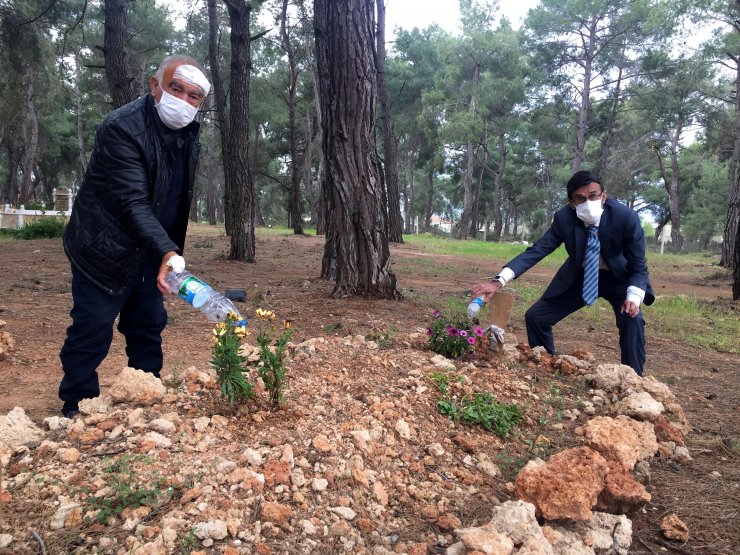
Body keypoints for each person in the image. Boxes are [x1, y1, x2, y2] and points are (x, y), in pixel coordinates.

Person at [58, 54, 210, 418]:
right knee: (93, 324)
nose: (184, 101)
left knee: (148, 322)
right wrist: (168, 251)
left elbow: (172, 199)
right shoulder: (122, 128)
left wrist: (163, 252)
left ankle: (146, 395)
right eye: (176, 88)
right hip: (103, 247)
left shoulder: (188, 136)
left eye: (194, 96)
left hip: (149, 250)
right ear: (155, 85)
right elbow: (132, 201)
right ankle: (77, 405)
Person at [472, 170, 654, 375]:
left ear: (603, 196)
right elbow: (538, 250)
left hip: (620, 278)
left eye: (593, 195)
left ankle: (633, 378)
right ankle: (547, 366)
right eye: (581, 198)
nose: (588, 202)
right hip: (581, 276)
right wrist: (498, 282)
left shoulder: (626, 217)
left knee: (632, 319)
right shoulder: (564, 218)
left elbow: (638, 263)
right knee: (536, 316)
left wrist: (634, 297)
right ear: (571, 203)